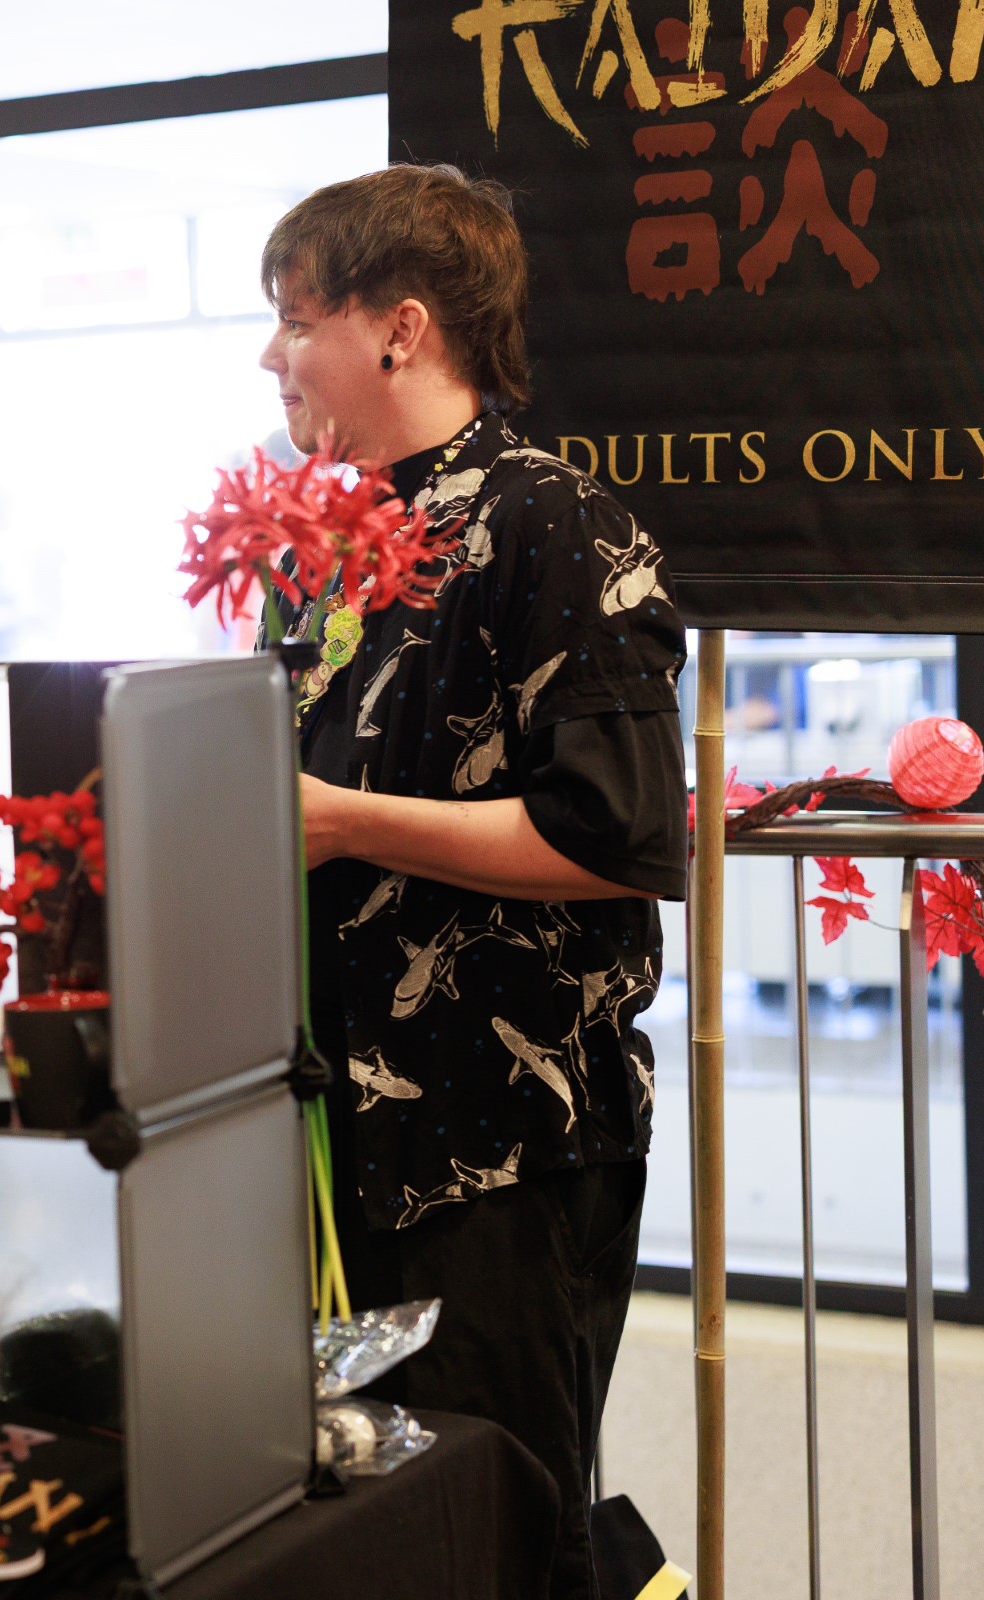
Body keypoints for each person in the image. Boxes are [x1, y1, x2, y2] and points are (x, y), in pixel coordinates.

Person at [258, 164, 686, 1599]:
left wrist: (342, 823)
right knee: (355, 1540)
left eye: (296, 317)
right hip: (328, 1138)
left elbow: (617, 833)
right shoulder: (319, 546)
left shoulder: (552, 520)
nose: (271, 356)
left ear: (402, 328)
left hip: (497, 1145)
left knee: (498, 1528)